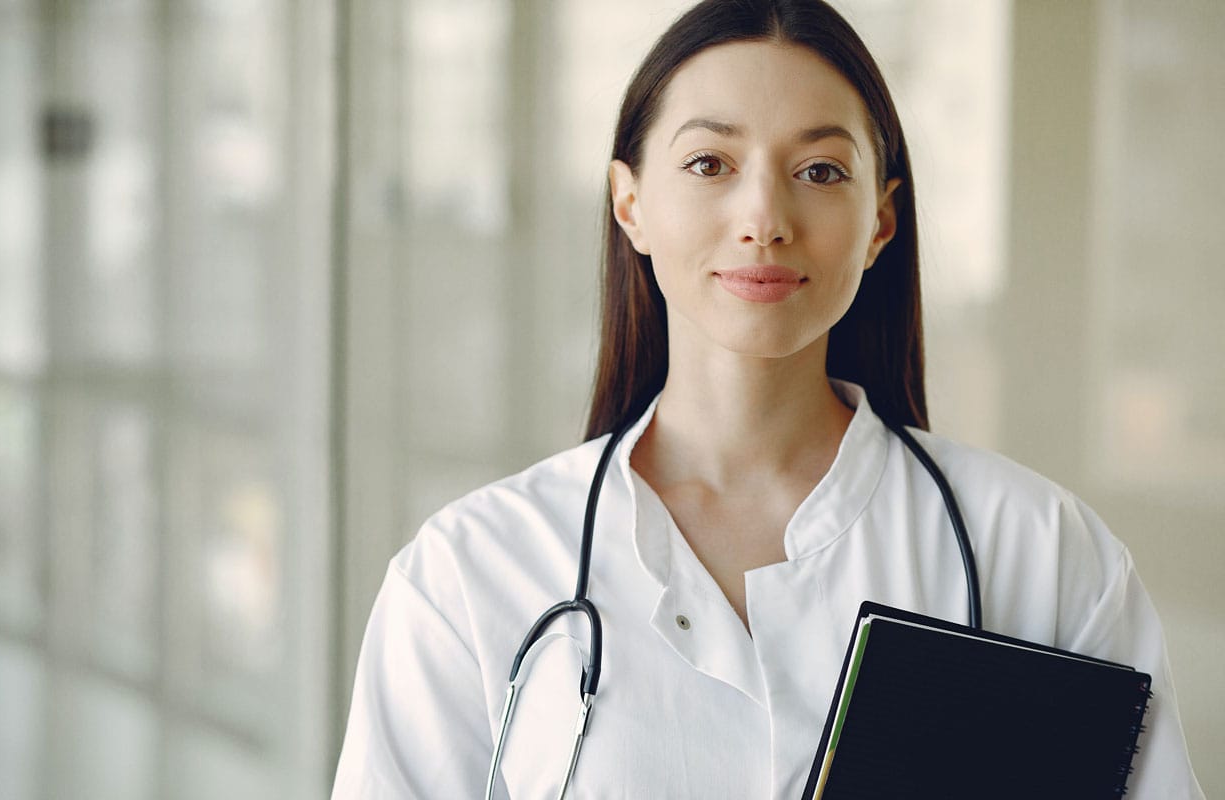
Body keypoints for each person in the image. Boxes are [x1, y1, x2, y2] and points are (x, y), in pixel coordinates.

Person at [331, 0, 1204, 797]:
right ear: (629, 204)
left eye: (820, 171)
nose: (764, 216)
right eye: (710, 162)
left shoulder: (1041, 556)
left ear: (882, 222)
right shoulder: (468, 575)